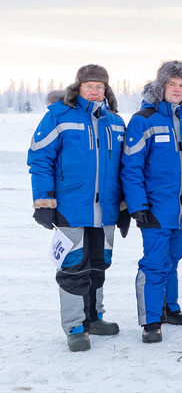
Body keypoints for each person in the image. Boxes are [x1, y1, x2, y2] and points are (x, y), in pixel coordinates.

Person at [28, 64, 126, 351]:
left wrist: (123, 206)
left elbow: (123, 168)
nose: (95, 92)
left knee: (99, 264)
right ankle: (75, 326)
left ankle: (94, 318)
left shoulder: (116, 122)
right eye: (90, 86)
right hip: (71, 207)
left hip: (105, 209)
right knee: (73, 267)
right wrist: (44, 200)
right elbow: (39, 158)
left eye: (100, 87)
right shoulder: (59, 116)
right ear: (78, 88)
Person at [121, 60, 182, 344]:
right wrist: (138, 205)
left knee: (173, 260)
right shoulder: (144, 119)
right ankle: (151, 321)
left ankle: (170, 307)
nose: (177, 90)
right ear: (161, 87)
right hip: (155, 208)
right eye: (172, 84)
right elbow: (131, 167)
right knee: (154, 263)